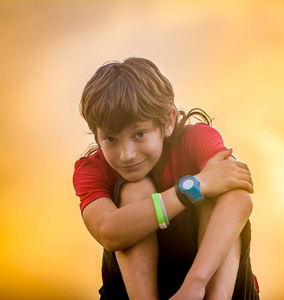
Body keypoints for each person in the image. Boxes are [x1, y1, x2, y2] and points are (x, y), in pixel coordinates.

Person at [73, 57, 260, 299]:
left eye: (139, 134)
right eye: (111, 139)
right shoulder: (91, 170)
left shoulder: (196, 140)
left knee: (218, 199)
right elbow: (109, 232)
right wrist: (193, 188)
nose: (127, 154)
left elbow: (240, 199)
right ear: (97, 137)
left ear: (168, 121)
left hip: (207, 285)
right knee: (134, 190)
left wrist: (195, 283)